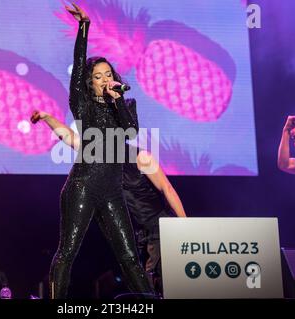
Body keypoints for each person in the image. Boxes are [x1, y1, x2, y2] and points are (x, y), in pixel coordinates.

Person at [45, 3, 154, 298]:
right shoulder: (82, 104)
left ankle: (149, 302)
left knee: (130, 256)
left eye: (108, 74)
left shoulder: (125, 104)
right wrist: (84, 27)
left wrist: (117, 99)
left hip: (112, 191)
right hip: (83, 186)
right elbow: (79, 63)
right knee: (68, 251)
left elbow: (130, 131)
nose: (105, 79)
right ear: (89, 84)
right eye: (98, 76)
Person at [31, 110, 187, 297]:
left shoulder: (141, 157)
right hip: (136, 234)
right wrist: (47, 118)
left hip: (158, 227)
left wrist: (185, 224)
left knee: (155, 283)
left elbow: (167, 189)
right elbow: (70, 137)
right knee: (143, 284)